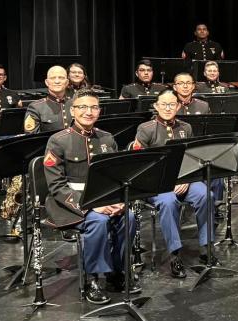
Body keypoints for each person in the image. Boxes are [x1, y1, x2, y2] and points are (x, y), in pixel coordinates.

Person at [43, 89, 136, 304]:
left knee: (128, 217)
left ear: (99, 111)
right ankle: (92, 278)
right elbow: (57, 186)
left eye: (94, 107)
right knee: (98, 220)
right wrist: (91, 205)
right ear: (73, 110)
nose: (89, 112)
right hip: (69, 204)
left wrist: (118, 199)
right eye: (83, 107)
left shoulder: (106, 138)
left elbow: (115, 175)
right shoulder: (58, 141)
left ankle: (116, 272)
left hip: (104, 199)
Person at [132, 90, 221, 278]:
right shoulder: (146, 129)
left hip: (184, 181)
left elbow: (191, 159)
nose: (168, 108)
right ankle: (174, 254)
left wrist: (184, 180)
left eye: (172, 104)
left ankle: (207, 247)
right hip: (155, 184)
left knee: (207, 195)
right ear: (156, 106)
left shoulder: (186, 127)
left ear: (179, 106)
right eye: (163, 104)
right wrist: (169, 183)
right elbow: (143, 166)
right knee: (168, 201)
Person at [24, 66, 73, 134]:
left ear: (67, 82)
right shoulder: (36, 107)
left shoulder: (75, 104)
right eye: (52, 78)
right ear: (47, 82)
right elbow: (32, 138)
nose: (57, 81)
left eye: (61, 78)